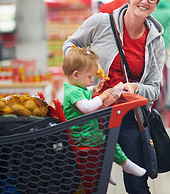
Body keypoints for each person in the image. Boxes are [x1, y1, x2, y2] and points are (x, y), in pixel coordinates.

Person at [63, 0, 166, 193]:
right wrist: (84, 65)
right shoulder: (101, 23)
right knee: (88, 181)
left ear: (156, 3)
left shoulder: (156, 40)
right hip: (91, 114)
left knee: (137, 183)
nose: (144, 1)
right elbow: (70, 45)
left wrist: (136, 87)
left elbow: (155, 89)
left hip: (129, 116)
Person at [62, 47, 146, 186]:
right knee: (109, 141)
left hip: (83, 131)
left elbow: (82, 93)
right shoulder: (75, 92)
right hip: (83, 134)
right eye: (89, 77)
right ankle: (125, 165)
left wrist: (93, 89)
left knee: (105, 139)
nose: (91, 80)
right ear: (76, 75)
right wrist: (101, 97)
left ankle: (103, 172)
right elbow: (86, 107)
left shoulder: (72, 88)